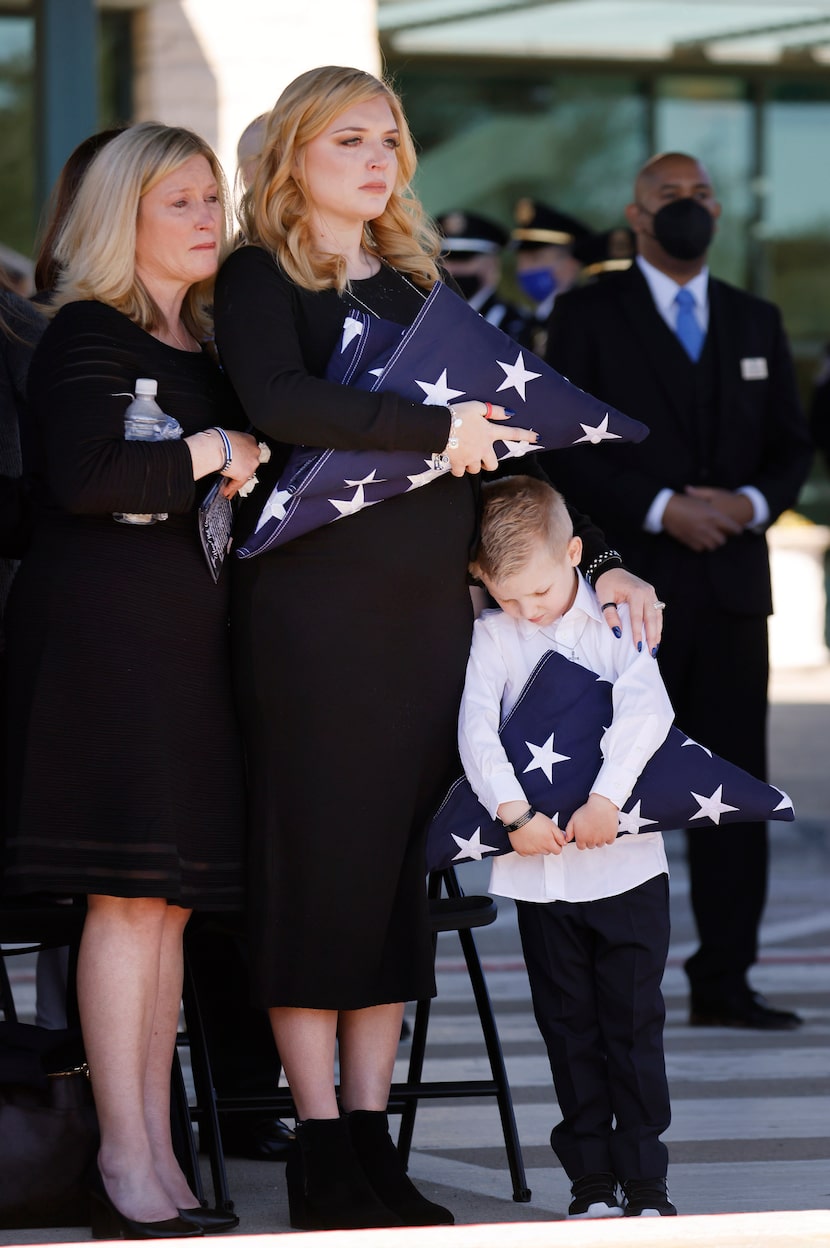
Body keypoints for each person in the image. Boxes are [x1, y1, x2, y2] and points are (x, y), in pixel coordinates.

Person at [213, 64, 664, 1233]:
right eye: (351, 140)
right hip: (311, 629)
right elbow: (275, 400)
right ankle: (317, 1152)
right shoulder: (259, 274)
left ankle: (370, 1142)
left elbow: (509, 450)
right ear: (294, 154)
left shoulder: (414, 283)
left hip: (425, 634)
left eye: (390, 141)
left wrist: (601, 556)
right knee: (317, 882)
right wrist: (433, 427)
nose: (379, 161)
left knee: (395, 892)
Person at [2, 121, 261, 1238]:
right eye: (183, 203)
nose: (210, 220)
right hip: (104, 656)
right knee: (123, 899)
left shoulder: (197, 347)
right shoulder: (87, 334)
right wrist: (213, 453)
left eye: (212, 199)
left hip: (179, 652)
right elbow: (87, 477)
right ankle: (123, 1165)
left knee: (161, 909)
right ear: (126, 219)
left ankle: (153, 1156)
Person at [543, 151, 813, 1031]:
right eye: (671, 197)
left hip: (734, 592)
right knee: (612, 785)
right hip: (631, 593)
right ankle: (610, 981)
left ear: (719, 214)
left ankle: (725, 980)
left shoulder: (756, 318)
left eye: (702, 196)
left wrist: (752, 502)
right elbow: (567, 445)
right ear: (636, 214)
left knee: (733, 790)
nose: (688, 208)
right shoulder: (587, 316)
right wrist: (660, 507)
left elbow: (791, 446)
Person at [460, 474, 677, 1219]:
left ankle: (648, 1180)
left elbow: (648, 707)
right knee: (569, 1029)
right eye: (509, 596)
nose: (530, 611)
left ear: (575, 553)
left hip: (626, 866)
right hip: (540, 874)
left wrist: (606, 798)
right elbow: (475, 731)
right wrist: (513, 811)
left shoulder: (613, 619)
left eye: (543, 592)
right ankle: (590, 1182)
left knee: (633, 1025)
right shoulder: (493, 635)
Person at [435, 209, 532, 346]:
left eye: (463, 259)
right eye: (442, 260)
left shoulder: (515, 324)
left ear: (492, 265)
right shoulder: (432, 321)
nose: (450, 269)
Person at [511, 198, 590, 355]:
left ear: (571, 264)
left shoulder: (586, 317)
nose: (525, 268)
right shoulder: (527, 326)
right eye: (521, 260)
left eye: (535, 259)